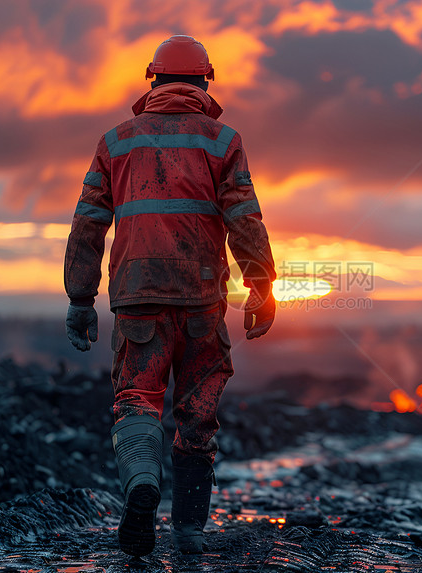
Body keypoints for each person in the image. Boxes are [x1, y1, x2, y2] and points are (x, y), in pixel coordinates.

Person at [63, 35, 276, 557]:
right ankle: (188, 533)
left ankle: (142, 484)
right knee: (197, 414)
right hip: (200, 300)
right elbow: (243, 216)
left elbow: (88, 223)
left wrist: (79, 298)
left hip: (137, 298)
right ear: (204, 81)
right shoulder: (223, 141)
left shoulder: (115, 142)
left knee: (136, 398)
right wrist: (261, 285)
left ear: (153, 80)